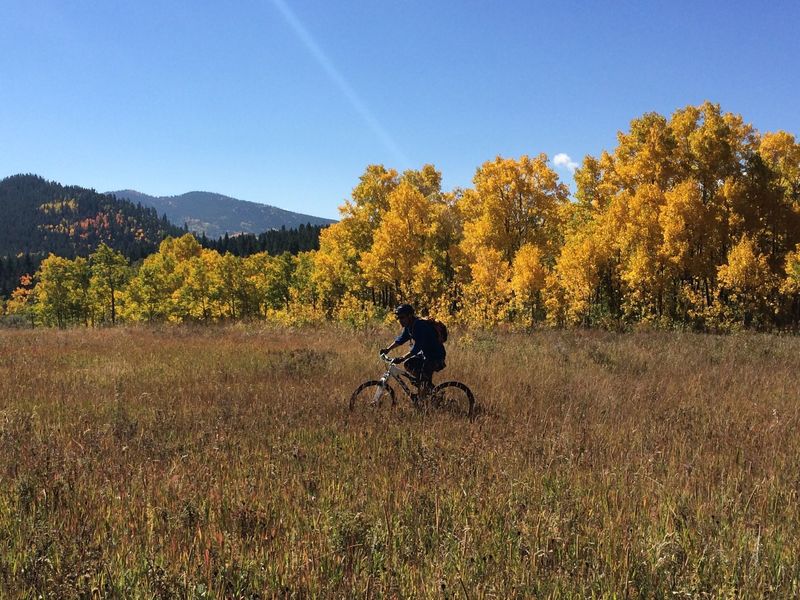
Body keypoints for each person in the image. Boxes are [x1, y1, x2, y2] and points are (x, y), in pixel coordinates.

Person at [380, 304, 446, 396]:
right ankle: (426, 393)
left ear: (410, 316)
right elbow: (401, 339)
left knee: (422, 379)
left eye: (402, 317)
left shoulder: (420, 325)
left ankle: (435, 396)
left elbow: (417, 348)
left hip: (436, 357)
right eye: (398, 318)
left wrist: (402, 357)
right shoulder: (410, 326)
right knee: (409, 364)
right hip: (426, 355)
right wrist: (387, 349)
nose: (400, 320)